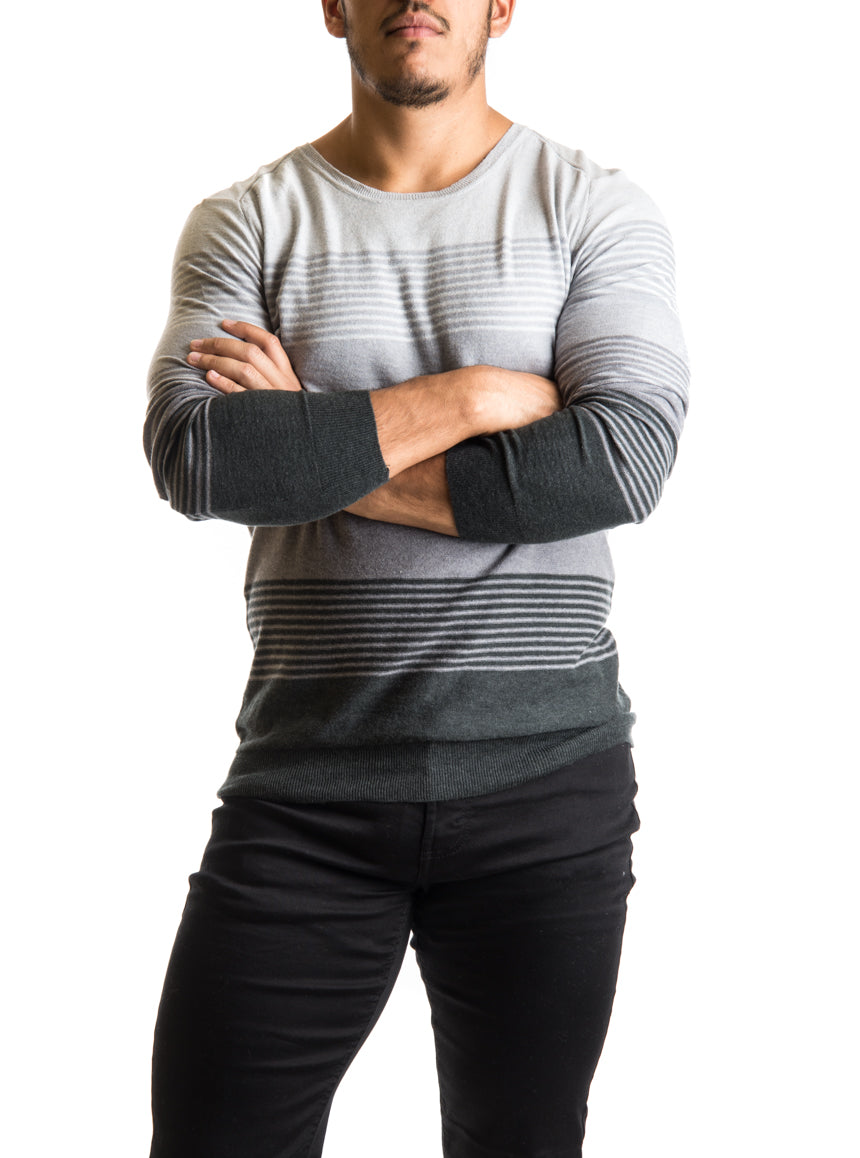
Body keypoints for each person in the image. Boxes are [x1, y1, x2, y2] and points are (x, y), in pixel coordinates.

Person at [143, 1, 689, 1154]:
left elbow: (617, 463)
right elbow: (200, 459)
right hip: (306, 785)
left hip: (547, 785)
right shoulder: (247, 221)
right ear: (332, 8)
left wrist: (310, 435)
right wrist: (476, 397)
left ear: (501, 7)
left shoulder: (589, 206)